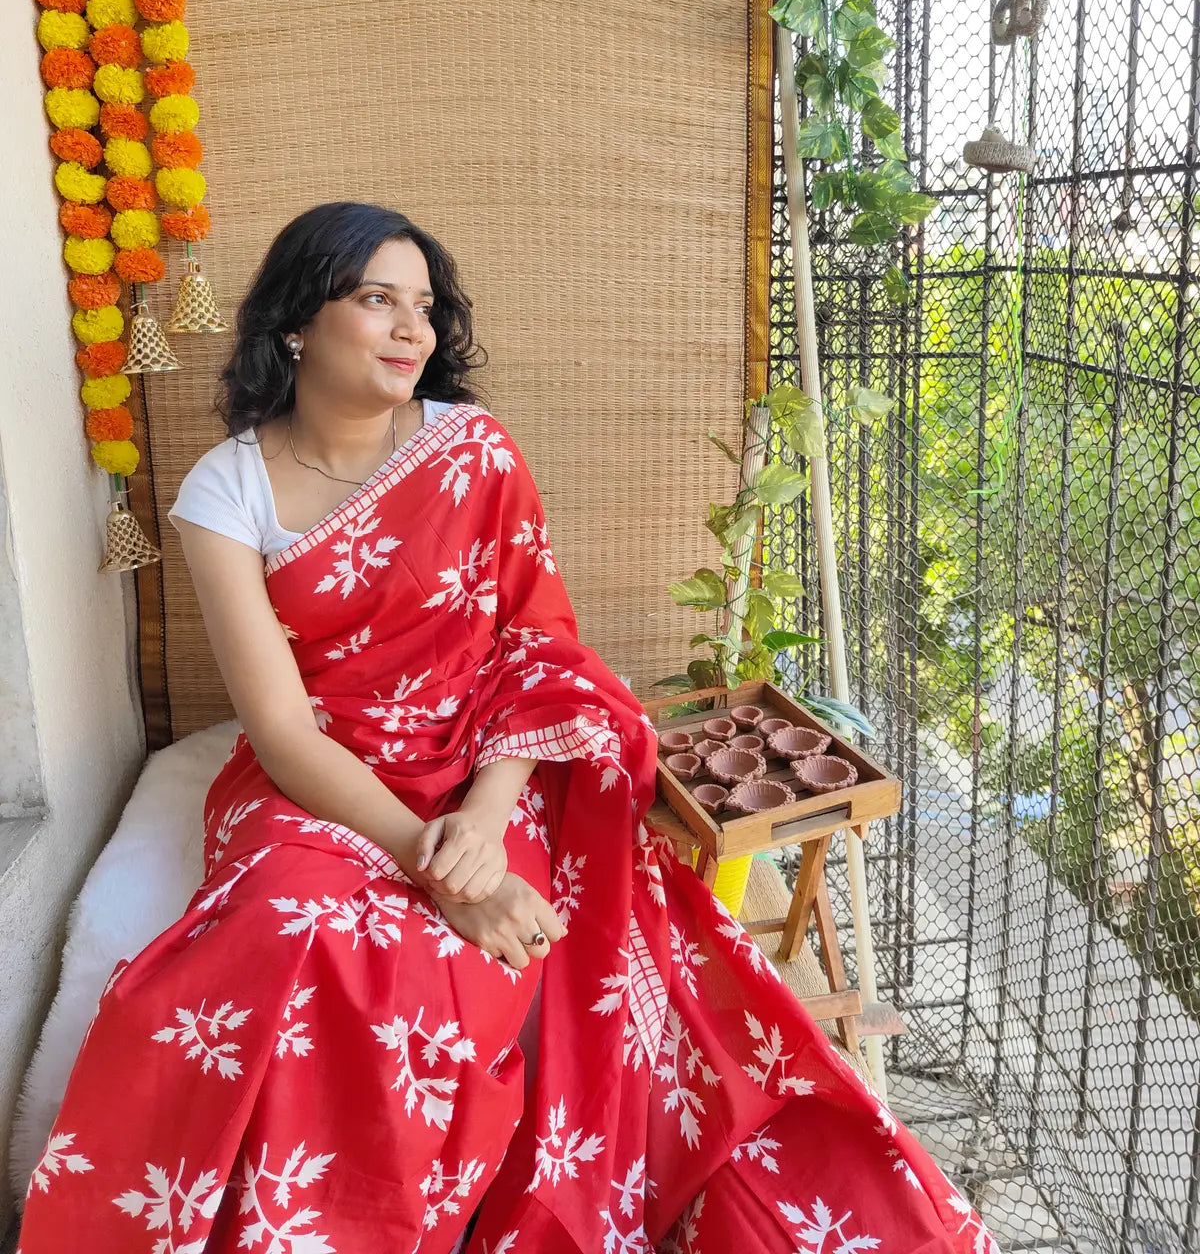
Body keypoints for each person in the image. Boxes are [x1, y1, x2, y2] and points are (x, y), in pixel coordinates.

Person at [17, 202, 996, 1254]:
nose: (410, 329)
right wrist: (439, 869)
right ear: (299, 322)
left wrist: (484, 821)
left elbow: (538, 649)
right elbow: (283, 727)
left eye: (424, 307)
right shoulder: (228, 486)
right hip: (321, 777)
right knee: (290, 929)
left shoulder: (473, 452)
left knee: (448, 966)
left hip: (480, 761)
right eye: (375, 299)